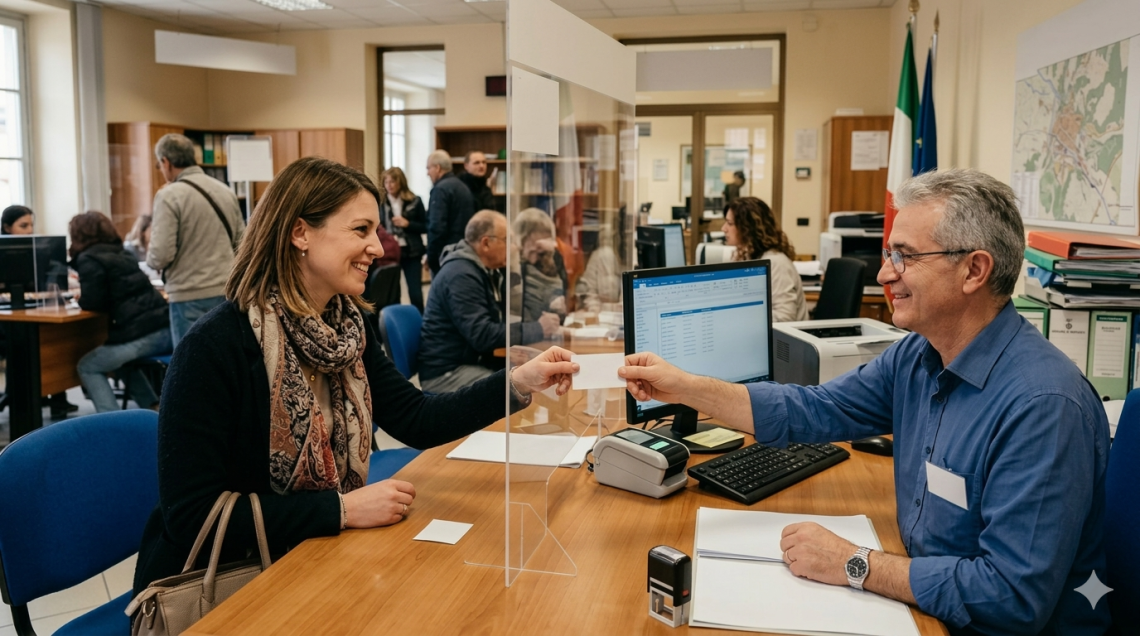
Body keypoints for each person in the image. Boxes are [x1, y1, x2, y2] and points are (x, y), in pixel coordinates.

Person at [618, 169, 1111, 636]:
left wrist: (856, 564)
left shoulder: (1043, 406)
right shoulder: (920, 355)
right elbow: (815, 409)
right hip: (922, 606)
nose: (882, 274)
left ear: (974, 270)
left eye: (905, 256)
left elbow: (1010, 599)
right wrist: (685, 387)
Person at [131, 157, 578, 597]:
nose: (379, 248)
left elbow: (416, 417)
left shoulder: (346, 327)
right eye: (361, 230)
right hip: (226, 580)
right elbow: (193, 517)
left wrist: (517, 382)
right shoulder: (215, 347)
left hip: (311, 554)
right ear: (300, 232)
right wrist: (339, 510)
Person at [419, 211, 561, 393]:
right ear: (486, 243)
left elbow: (507, 317)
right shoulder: (461, 275)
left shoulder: (484, 270)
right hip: (447, 372)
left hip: (471, 361)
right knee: (520, 386)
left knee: (528, 377)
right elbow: (483, 336)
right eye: (507, 241)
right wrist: (538, 328)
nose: (514, 248)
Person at [147, 133, 246, 347]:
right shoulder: (225, 191)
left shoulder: (169, 196)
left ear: (166, 162)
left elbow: (161, 254)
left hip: (188, 295)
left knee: (189, 370)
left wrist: (151, 263)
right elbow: (242, 243)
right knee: (223, 364)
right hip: (226, 292)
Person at [69, 212, 172, 413]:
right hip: (165, 328)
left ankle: (112, 422)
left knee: (87, 366)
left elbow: (93, 302)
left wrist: (81, 297)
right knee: (120, 363)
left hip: (142, 335)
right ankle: (153, 407)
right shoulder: (123, 253)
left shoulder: (89, 259)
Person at [0, 205, 79, 418]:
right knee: (29, 341)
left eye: (31, 225)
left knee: (52, 339)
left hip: (29, 310)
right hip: (6, 317)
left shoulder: (37, 248)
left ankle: (56, 398)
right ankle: (26, 399)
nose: (29, 230)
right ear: (7, 227)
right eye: (23, 225)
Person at [723, 197, 808, 322]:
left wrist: (742, 316)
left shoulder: (777, 263)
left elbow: (785, 319)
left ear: (748, 228)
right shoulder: (748, 257)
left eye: (730, 224)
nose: (723, 228)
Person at [380, 167, 427, 313]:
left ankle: (421, 326)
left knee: (415, 293)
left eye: (393, 181)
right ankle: (395, 325)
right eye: (386, 182)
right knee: (393, 294)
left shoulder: (415, 201)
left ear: (401, 182)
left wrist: (408, 224)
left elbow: (426, 226)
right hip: (389, 252)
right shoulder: (380, 203)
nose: (389, 185)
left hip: (411, 251)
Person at [512, 208, 568, 322]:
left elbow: (563, 291)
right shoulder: (513, 264)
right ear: (522, 239)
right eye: (535, 237)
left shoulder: (553, 259)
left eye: (546, 236)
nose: (540, 244)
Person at [425, 149, 475, 275]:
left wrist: (431, 258)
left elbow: (437, 227)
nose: (427, 173)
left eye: (428, 168)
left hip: (445, 255)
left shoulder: (440, 190)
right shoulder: (462, 186)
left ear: (437, 168)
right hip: (463, 251)